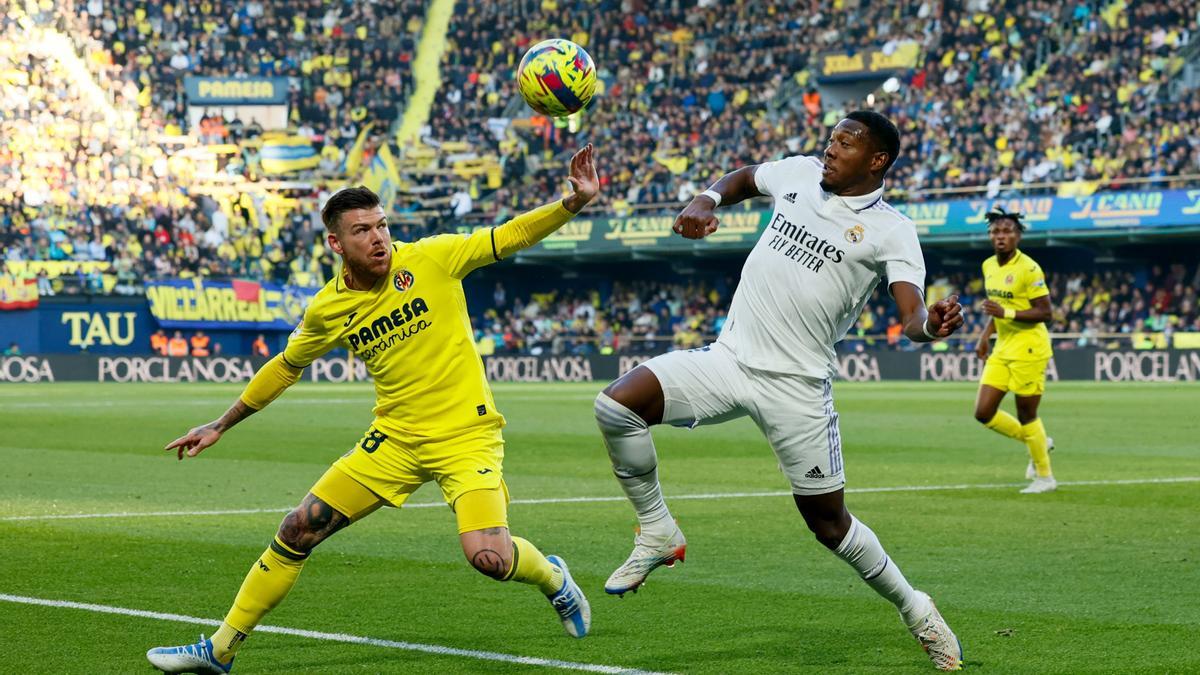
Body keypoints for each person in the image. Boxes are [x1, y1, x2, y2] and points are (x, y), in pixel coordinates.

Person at [147, 145, 600, 674]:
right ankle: (220, 650)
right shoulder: (328, 307)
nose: (378, 237)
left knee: (489, 558)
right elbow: (287, 366)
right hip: (395, 441)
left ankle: (553, 578)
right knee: (298, 528)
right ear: (336, 243)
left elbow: (509, 235)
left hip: (465, 437)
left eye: (382, 225)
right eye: (362, 230)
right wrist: (222, 423)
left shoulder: (433, 257)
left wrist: (573, 202)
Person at [593, 112, 965, 671]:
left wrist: (931, 327)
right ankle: (657, 530)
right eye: (832, 138)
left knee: (829, 525)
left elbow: (911, 313)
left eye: (846, 143)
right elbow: (745, 178)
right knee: (617, 406)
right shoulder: (799, 172)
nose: (831, 149)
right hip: (728, 360)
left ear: (877, 160)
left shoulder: (893, 230)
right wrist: (706, 199)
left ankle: (917, 610)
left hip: (798, 387)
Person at [973, 208, 1056, 494]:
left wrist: (1005, 313)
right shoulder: (988, 266)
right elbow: (997, 308)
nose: (1001, 236)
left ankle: (1045, 477)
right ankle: (1038, 442)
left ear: (1018, 236)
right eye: (995, 231)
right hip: (1003, 347)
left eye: (1007, 231)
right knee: (983, 412)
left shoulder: (1029, 269)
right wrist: (985, 335)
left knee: (1026, 414)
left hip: (1030, 348)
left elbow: (1046, 313)